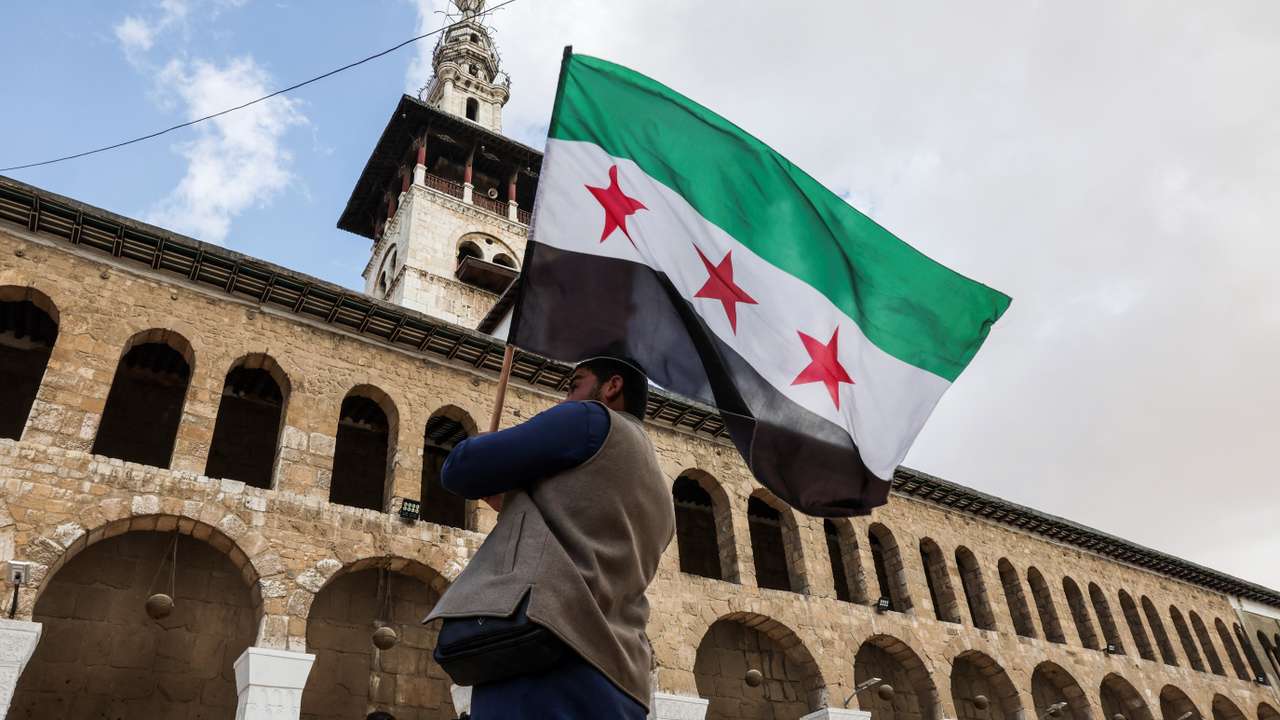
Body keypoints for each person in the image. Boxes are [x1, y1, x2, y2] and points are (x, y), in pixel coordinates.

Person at [423, 355, 675, 719]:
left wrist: (488, 452)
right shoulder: (661, 494)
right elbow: (582, 521)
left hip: (546, 652)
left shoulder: (589, 418)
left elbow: (461, 468)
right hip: (622, 678)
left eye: (574, 386)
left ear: (612, 386)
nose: (566, 399)